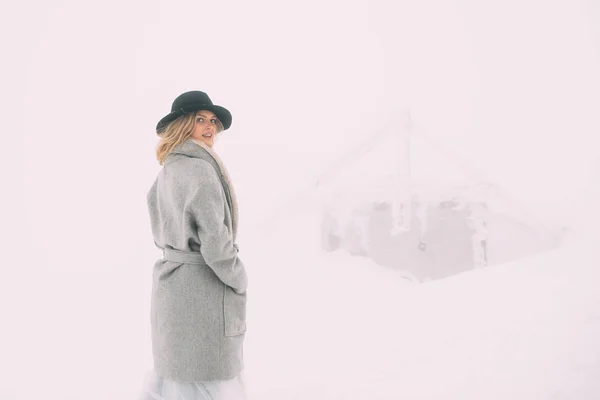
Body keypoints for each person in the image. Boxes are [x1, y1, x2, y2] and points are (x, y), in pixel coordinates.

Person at [140, 90, 248, 400]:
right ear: (184, 124)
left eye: (213, 121)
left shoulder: (167, 173)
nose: (210, 127)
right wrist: (238, 278)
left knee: (177, 375)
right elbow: (215, 242)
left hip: (171, 288)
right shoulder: (201, 170)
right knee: (209, 377)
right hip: (202, 291)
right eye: (200, 119)